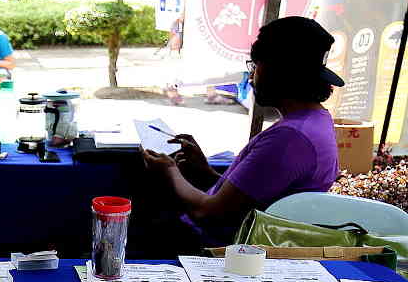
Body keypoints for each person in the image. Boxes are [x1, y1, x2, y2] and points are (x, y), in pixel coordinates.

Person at [141, 16, 344, 251]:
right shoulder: (315, 121)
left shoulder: (289, 139)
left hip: (215, 250)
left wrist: (169, 171)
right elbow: (249, 197)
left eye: (255, 66)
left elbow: (209, 213)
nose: (251, 77)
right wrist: (205, 172)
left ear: (277, 71)